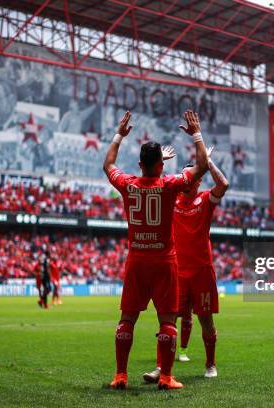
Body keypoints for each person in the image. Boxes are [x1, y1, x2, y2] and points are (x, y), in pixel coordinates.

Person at [104, 110, 208, 390]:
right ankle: (166, 377)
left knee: (127, 319)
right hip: (164, 261)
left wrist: (119, 135)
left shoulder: (128, 185)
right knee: (166, 320)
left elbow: (108, 164)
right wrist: (196, 134)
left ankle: (121, 376)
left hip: (137, 260)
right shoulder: (169, 185)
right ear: (162, 164)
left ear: (139, 164)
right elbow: (201, 167)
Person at [143, 145, 229, 383]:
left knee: (205, 320)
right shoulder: (172, 199)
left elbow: (223, 185)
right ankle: (161, 368)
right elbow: (151, 184)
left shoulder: (205, 200)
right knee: (167, 321)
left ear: (199, 181)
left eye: (194, 177)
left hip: (202, 271)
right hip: (177, 272)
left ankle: (210, 364)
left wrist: (208, 161)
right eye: (187, 177)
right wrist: (160, 160)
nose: (190, 181)